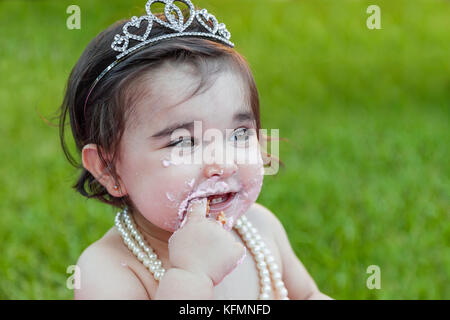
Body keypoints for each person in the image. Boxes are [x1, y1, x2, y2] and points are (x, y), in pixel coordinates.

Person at [59, 0, 332, 300]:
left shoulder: (260, 228)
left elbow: (307, 296)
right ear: (109, 168)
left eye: (239, 134)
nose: (223, 163)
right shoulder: (108, 270)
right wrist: (191, 277)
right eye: (184, 142)